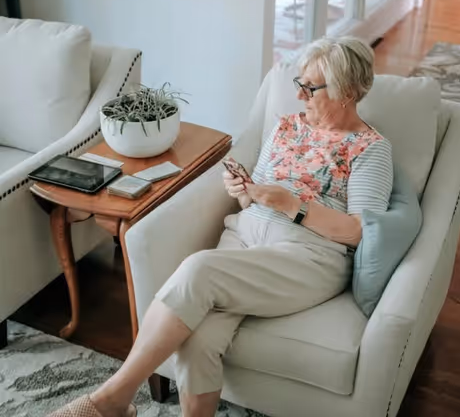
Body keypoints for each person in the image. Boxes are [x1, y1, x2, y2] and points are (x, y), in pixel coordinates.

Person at [50, 36, 393, 417]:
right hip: (244, 236)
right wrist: (244, 191)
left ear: (346, 91)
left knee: (198, 269)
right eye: (299, 84)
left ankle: (111, 399)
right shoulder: (287, 127)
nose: (300, 96)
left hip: (309, 256)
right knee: (198, 340)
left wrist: (294, 206)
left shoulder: (370, 149)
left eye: (310, 88)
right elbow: (256, 196)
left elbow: (361, 232)